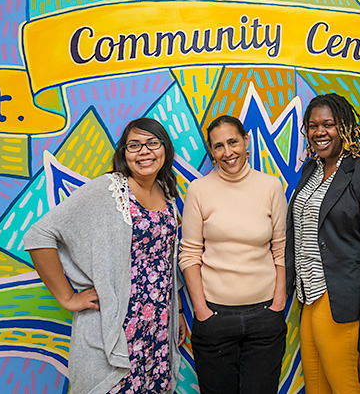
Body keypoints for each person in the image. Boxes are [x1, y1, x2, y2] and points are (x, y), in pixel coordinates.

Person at [23, 118, 186, 394]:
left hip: (156, 331)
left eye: (152, 143)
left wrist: (178, 310)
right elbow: (39, 236)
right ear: (123, 153)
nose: (144, 151)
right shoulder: (108, 190)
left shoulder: (167, 194)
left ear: (165, 149)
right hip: (115, 330)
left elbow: (163, 262)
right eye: (134, 145)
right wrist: (68, 297)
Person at [286, 93, 360, 392]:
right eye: (312, 125)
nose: (319, 132)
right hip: (309, 300)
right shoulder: (311, 171)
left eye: (328, 124)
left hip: (343, 306)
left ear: (347, 127)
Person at [179, 115, 288, 394]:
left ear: (246, 142)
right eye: (218, 146)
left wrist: (278, 302)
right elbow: (190, 254)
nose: (227, 153)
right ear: (211, 152)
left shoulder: (271, 187)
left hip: (265, 317)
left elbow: (280, 248)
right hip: (215, 318)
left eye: (232, 142)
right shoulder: (199, 190)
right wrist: (201, 311)